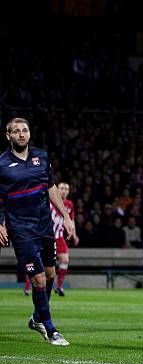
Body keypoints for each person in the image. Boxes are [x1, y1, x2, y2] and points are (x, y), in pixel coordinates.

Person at [0, 117, 73, 345]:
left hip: (44, 225)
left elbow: (50, 187)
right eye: (16, 131)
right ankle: (50, 329)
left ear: (29, 133)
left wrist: (66, 215)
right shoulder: (1, 164)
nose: (21, 134)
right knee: (39, 279)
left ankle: (36, 317)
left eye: (25, 130)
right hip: (21, 229)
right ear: (8, 136)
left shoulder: (41, 157)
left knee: (50, 275)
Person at [49, 182, 79, 296]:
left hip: (59, 236)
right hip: (48, 236)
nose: (64, 191)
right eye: (61, 188)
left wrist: (74, 234)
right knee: (41, 263)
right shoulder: (51, 199)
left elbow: (71, 220)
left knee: (65, 260)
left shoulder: (69, 204)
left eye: (66, 189)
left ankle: (59, 287)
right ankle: (27, 288)